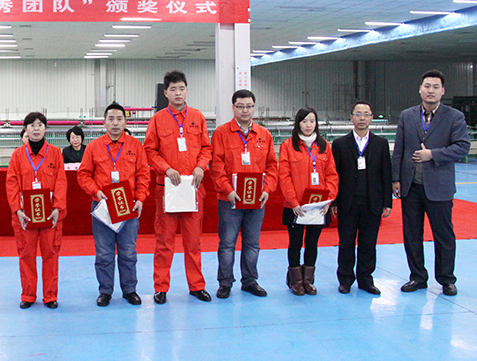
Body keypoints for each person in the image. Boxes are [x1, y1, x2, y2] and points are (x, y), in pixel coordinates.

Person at [392, 70, 470, 296]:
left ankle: (447, 279)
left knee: (443, 235)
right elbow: (399, 149)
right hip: (411, 187)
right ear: (420, 89)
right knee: (412, 235)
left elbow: (462, 146)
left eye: (436, 87)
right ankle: (417, 277)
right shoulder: (407, 116)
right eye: (427, 86)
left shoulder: (454, 117)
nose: (431, 91)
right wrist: (396, 178)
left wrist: (433, 154)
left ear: (442, 91)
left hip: (439, 188)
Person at [143, 70, 213, 304]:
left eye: (181, 88)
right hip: (167, 188)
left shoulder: (197, 117)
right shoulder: (157, 120)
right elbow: (150, 150)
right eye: (173, 89)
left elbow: (206, 148)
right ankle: (161, 287)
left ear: (187, 90)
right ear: (165, 93)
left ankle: (197, 286)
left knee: (193, 242)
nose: (178, 93)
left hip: (193, 187)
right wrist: (166, 169)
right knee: (164, 241)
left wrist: (201, 166)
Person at [77, 102, 150, 307]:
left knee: (128, 251)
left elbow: (143, 175)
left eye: (119, 119)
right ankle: (105, 291)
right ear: (104, 122)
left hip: (128, 207)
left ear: (125, 122)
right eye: (111, 119)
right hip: (102, 207)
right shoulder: (94, 147)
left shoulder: (135, 146)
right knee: (104, 252)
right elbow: (83, 175)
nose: (115, 123)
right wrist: (96, 192)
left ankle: (129, 290)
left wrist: (140, 198)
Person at [210, 89, 278, 298]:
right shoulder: (221, 133)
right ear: (233, 108)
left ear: (254, 108)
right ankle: (225, 283)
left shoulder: (264, 135)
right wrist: (228, 190)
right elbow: (216, 167)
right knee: (227, 244)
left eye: (249, 106)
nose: (245, 110)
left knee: (252, 244)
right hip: (229, 200)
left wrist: (267, 189)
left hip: (256, 201)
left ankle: (250, 281)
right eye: (240, 106)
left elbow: (272, 166)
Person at [5, 112, 67, 309]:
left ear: (45, 128)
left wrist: (57, 207)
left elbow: (61, 182)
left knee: (51, 254)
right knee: (26, 255)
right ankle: (28, 295)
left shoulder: (55, 153)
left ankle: (50, 295)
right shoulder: (17, 155)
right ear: (26, 129)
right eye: (31, 125)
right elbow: (11, 184)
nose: (36, 128)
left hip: (50, 215)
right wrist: (17, 209)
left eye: (40, 124)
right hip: (25, 216)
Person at [331, 101, 392, 295]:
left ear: (372, 118)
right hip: (347, 202)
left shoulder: (381, 144)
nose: (362, 118)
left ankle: (366, 280)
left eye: (366, 114)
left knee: (368, 243)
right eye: (358, 114)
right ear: (351, 117)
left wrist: (387, 202)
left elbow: (386, 174)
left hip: (372, 202)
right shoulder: (340, 144)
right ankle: (345, 279)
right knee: (346, 242)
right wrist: (334, 201)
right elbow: (334, 175)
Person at [278, 107, 339, 296]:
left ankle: (308, 280)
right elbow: (284, 176)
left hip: (318, 206)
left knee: (312, 243)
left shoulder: (324, 146)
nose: (308, 125)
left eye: (312, 121)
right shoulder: (288, 146)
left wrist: (328, 200)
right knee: (295, 243)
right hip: (296, 207)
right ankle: (295, 280)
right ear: (298, 123)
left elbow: (332, 175)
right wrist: (293, 202)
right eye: (304, 121)